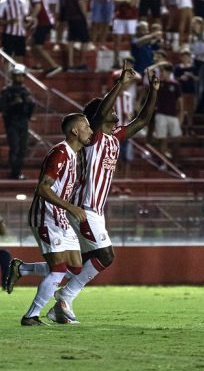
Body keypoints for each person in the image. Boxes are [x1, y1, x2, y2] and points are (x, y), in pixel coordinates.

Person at [51, 65, 159, 323]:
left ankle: (52, 298)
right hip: (84, 207)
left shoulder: (115, 138)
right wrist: (120, 84)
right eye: (110, 110)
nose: (115, 112)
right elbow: (99, 115)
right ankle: (65, 296)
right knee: (106, 255)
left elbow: (143, 120)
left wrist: (154, 91)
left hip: (96, 210)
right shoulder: (93, 137)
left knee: (84, 260)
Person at [8, 112, 93, 326]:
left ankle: (22, 269)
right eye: (86, 127)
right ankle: (31, 316)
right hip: (45, 216)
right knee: (59, 269)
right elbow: (43, 188)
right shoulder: (60, 153)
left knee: (75, 269)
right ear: (75, 131)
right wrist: (71, 207)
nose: (90, 131)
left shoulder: (73, 155)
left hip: (59, 217)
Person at [0, 64, 35, 179]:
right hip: (11, 122)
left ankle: (18, 171)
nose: (19, 78)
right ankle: (15, 172)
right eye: (17, 75)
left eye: (21, 76)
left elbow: (31, 106)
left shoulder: (25, 91)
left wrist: (28, 106)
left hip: (23, 122)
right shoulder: (7, 91)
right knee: (15, 147)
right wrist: (13, 103)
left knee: (22, 148)